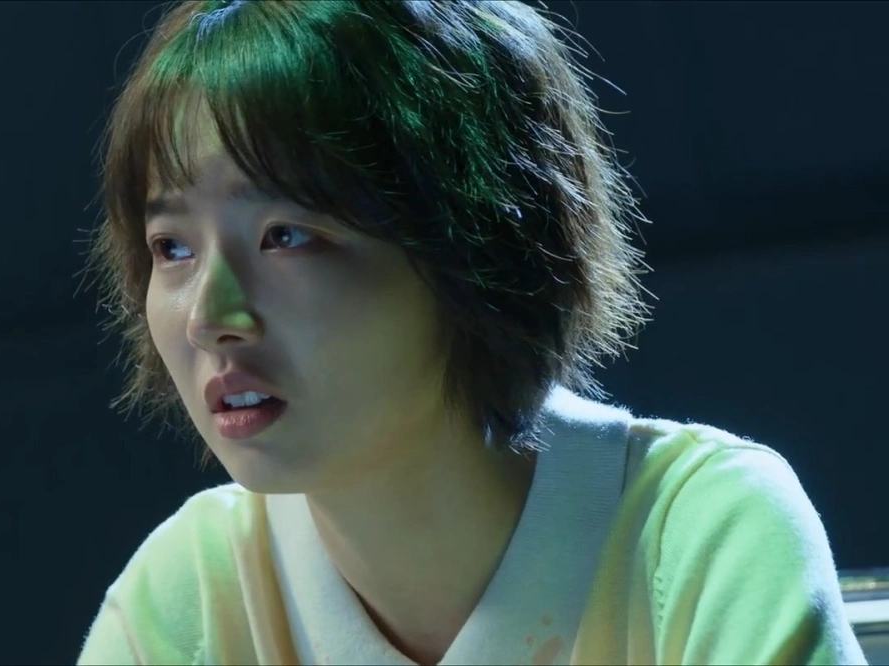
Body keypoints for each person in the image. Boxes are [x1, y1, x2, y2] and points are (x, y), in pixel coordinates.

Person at [77, 0, 867, 664]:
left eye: (285, 235)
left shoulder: (702, 541)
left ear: (477, 244)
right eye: (171, 248)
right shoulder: (186, 599)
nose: (208, 316)